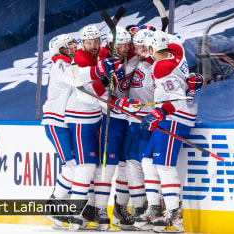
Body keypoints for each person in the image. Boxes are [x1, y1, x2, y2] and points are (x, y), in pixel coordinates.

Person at [136, 31, 204, 233]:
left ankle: (174, 215)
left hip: (174, 118)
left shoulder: (162, 66)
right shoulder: (175, 54)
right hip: (170, 117)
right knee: (147, 161)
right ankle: (155, 209)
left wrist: (157, 113)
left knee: (164, 166)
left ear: (151, 49)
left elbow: (175, 101)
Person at [65, 24, 120, 230]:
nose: (94, 45)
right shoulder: (79, 58)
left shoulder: (99, 54)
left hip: (95, 118)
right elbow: (86, 84)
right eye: (90, 42)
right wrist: (103, 74)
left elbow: (107, 59)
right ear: (83, 43)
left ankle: (96, 210)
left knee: (98, 168)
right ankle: (75, 212)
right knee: (86, 166)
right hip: (80, 120)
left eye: (97, 41)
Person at [92, 26, 137, 230]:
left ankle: (120, 208)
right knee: (107, 167)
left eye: (127, 44)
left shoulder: (132, 56)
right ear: (111, 45)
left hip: (129, 118)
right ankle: (99, 209)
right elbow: (99, 94)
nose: (125, 48)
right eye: (121, 45)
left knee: (126, 167)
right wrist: (119, 104)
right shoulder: (104, 63)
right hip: (109, 118)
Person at [116, 28, 156, 229]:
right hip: (133, 121)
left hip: (150, 122)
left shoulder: (158, 66)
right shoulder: (134, 62)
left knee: (142, 166)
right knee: (131, 165)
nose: (136, 50)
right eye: (136, 46)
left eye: (141, 46)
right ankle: (136, 208)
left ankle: (146, 208)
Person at [42, 33, 78, 229]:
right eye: (71, 44)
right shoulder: (61, 63)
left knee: (74, 167)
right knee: (72, 167)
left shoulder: (65, 62)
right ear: (62, 48)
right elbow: (76, 80)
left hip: (65, 123)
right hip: (56, 123)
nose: (75, 46)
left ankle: (60, 207)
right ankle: (53, 205)